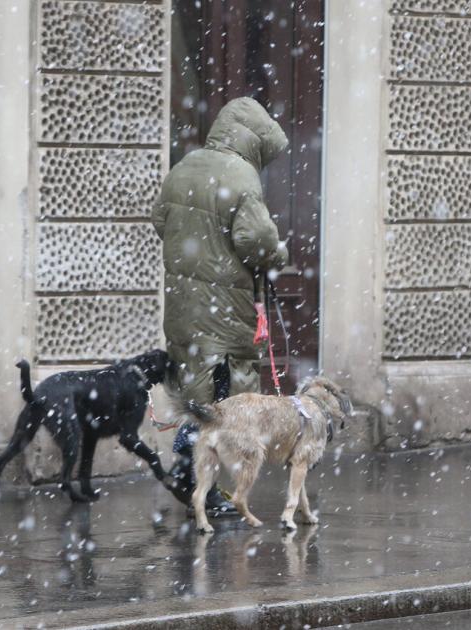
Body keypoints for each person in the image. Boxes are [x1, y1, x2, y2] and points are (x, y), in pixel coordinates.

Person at [150, 97, 290, 516]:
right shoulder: (241, 176)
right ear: (253, 140)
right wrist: (278, 254)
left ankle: (188, 475)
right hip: (224, 309)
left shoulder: (185, 166)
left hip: (183, 307)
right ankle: (193, 479)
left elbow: (161, 220)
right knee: (221, 403)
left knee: (196, 391)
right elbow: (257, 241)